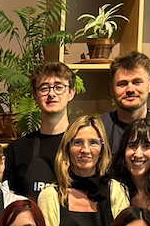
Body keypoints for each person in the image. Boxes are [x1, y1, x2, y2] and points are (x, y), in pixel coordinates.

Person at [8, 64, 103, 205]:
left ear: (71, 93)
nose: (51, 94)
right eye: (44, 88)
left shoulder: (85, 148)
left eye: (59, 87)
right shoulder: (18, 150)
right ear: (35, 96)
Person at [37, 114, 116, 226]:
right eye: (78, 142)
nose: (85, 150)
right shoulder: (51, 195)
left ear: (102, 149)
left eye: (93, 143)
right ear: (67, 148)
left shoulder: (115, 190)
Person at [108, 51, 150, 132]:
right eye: (122, 84)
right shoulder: (99, 130)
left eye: (137, 82)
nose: (130, 89)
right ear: (112, 89)